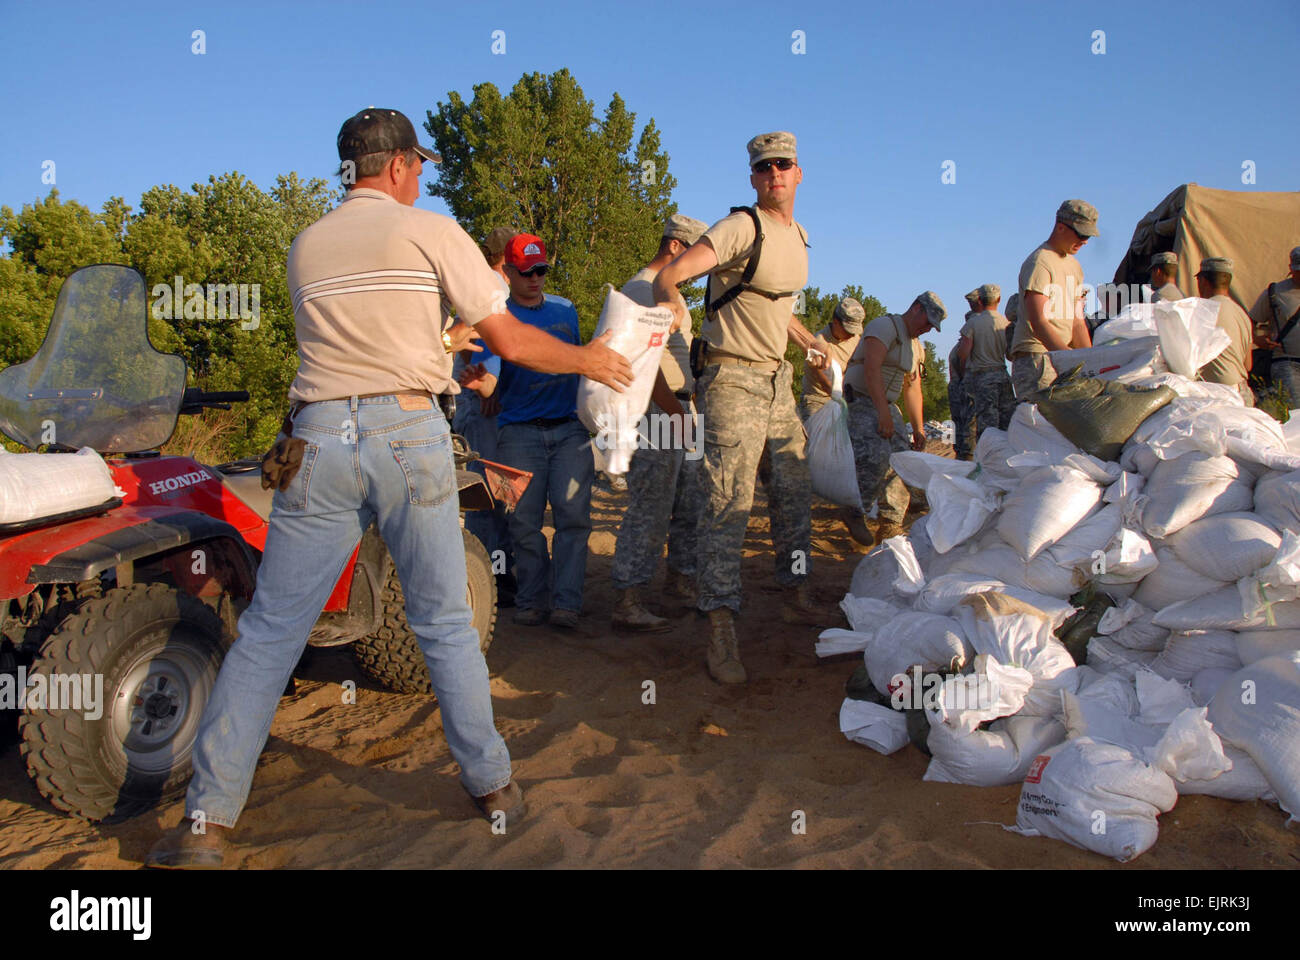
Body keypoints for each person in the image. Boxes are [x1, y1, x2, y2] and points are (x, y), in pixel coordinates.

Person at [145, 108, 632, 868]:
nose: (422, 180)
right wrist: (589, 360)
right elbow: (506, 336)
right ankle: (494, 787)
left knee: (272, 632)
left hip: (316, 442)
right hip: (407, 435)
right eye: (420, 168)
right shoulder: (431, 231)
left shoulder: (306, 244)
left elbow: (369, 335)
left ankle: (205, 823)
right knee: (441, 621)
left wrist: (441, 352)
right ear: (401, 165)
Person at [651, 131, 829, 685]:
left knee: (795, 488)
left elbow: (774, 304)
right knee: (728, 501)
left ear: (800, 173)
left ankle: (795, 588)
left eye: (784, 164)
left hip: (777, 382)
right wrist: (674, 304)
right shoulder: (738, 227)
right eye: (764, 166)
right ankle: (720, 623)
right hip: (732, 378)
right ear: (754, 177)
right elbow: (669, 275)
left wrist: (808, 343)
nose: (775, 172)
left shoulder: (798, 236)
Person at [482, 234, 596, 630]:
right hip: (517, 434)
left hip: (570, 431)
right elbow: (487, 375)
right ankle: (531, 599)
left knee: (573, 519)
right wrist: (483, 386)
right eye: (526, 272)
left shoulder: (566, 311)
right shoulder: (495, 318)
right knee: (523, 522)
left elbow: (581, 363)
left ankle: (567, 603)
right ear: (508, 271)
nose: (535, 278)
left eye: (541, 270)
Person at [610, 214, 710, 632]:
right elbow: (641, 366)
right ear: (674, 247)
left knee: (692, 500)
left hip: (682, 410)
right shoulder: (640, 291)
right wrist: (675, 413)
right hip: (661, 412)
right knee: (650, 506)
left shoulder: (665, 293)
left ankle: (681, 580)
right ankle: (629, 597)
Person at [843, 293, 945, 543]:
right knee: (875, 454)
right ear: (916, 309)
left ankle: (890, 522)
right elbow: (871, 368)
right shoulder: (883, 327)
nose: (929, 329)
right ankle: (854, 510)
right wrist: (882, 413)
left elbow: (913, 388)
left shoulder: (916, 347)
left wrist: (919, 429)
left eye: (933, 327)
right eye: (928, 322)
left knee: (904, 459)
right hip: (861, 399)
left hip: (886, 404)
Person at [455, 227, 515, 603]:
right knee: (490, 497)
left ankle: (494, 575)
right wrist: (487, 387)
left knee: (487, 495)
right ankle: (493, 579)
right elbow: (479, 344)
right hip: (484, 406)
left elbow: (463, 344)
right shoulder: (495, 288)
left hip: (475, 402)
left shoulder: (474, 284)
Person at [1008, 199, 1098, 399]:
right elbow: (1039, 321)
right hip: (1037, 360)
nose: (1085, 241)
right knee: (1041, 426)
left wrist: (1091, 362)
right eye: (1081, 234)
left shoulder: (1074, 266)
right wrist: (1068, 359)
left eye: (1089, 236)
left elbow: (1077, 323)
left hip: (1061, 358)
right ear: (1060, 227)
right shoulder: (1040, 262)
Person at [958, 283, 1015, 444]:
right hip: (1003, 375)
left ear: (980, 301)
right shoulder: (1005, 323)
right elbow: (1010, 355)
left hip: (983, 378)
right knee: (1007, 422)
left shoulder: (973, 323)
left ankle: (987, 462)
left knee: (987, 425)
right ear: (999, 299)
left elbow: (963, 353)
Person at [1195, 256, 1254, 405]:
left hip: (1218, 396)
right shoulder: (1242, 314)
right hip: (1242, 392)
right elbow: (1248, 365)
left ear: (1203, 281)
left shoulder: (1201, 311)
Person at [800, 297, 865, 421]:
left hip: (845, 398)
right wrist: (843, 399)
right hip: (818, 400)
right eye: (848, 331)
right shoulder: (819, 344)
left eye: (854, 332)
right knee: (817, 436)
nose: (851, 335)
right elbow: (825, 382)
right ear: (836, 322)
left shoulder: (856, 340)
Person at [1249, 245, 1300, 405]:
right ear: (1291, 269)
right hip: (1286, 363)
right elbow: (1248, 323)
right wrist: (1258, 340)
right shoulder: (1275, 292)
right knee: (1296, 413)